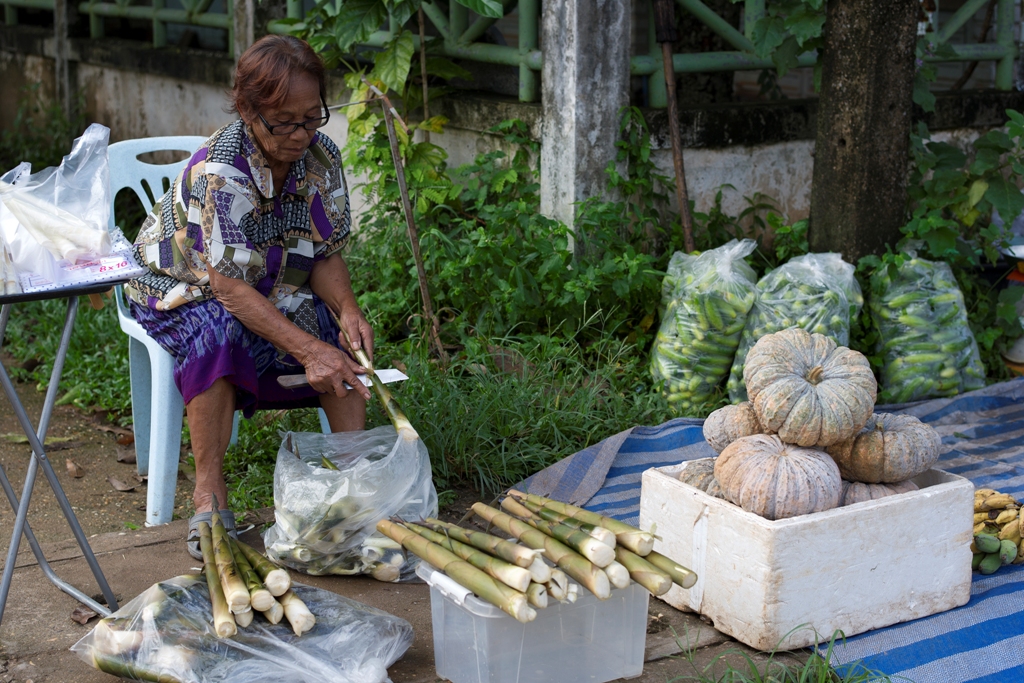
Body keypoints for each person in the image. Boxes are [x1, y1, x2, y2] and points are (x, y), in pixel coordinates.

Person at [124, 35, 373, 559]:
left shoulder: (320, 157)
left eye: (312, 117)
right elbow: (227, 288)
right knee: (217, 334)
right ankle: (209, 497)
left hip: (270, 282)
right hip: (182, 286)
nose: (302, 134)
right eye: (285, 122)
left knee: (334, 334)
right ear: (248, 110)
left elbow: (323, 251)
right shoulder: (222, 170)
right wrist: (307, 351)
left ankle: (353, 489)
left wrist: (347, 310)